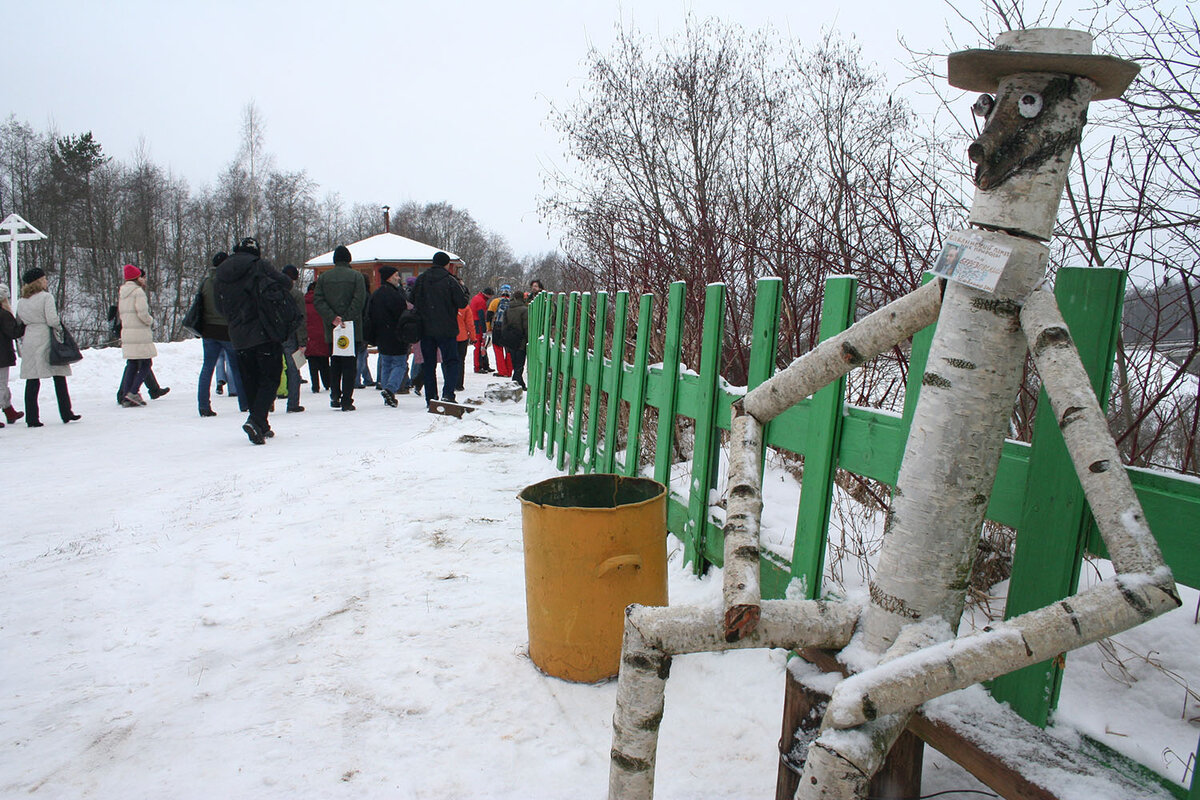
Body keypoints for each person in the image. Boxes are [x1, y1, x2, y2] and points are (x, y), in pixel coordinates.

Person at [214, 237, 291, 444]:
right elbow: (285, 283)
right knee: (271, 377)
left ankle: (262, 423)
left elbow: (219, 306)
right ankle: (255, 421)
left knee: (251, 378)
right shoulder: (259, 266)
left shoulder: (221, 272)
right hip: (263, 331)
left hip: (237, 335)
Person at [16, 268, 80, 426]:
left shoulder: (22, 301)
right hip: (45, 337)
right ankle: (66, 412)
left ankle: (31, 418)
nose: (46, 281)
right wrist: (60, 329)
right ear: (38, 281)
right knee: (58, 374)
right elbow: (52, 319)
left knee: (32, 379)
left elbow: (20, 321)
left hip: (30, 339)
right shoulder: (46, 297)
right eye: (44, 279)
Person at [313, 245, 367, 411]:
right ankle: (346, 400)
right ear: (349, 259)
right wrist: (347, 318)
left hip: (332, 329)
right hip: (352, 328)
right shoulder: (357, 277)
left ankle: (334, 396)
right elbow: (360, 301)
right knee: (350, 365)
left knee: (335, 362)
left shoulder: (323, 278)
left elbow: (318, 300)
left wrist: (333, 318)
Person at [411, 251, 468, 405]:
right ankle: (448, 394)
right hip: (447, 328)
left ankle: (431, 397)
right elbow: (462, 303)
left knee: (428, 364)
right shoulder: (450, 280)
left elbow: (411, 299)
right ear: (447, 265)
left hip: (425, 329)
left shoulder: (421, 279)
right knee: (451, 361)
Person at [196, 251, 244, 417]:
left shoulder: (205, 283)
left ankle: (203, 404)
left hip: (208, 331)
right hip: (227, 331)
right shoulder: (230, 282)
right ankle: (244, 403)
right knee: (236, 367)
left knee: (207, 368)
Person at [365, 266, 410, 407]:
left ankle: (386, 391)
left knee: (386, 364)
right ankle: (390, 389)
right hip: (396, 335)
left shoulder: (376, 294)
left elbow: (369, 315)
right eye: (396, 275)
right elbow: (402, 316)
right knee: (400, 364)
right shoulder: (396, 295)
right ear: (389, 277)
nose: (399, 278)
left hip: (381, 335)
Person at [117, 264, 158, 407]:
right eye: (141, 277)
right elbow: (142, 314)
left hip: (128, 332)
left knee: (133, 363)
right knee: (146, 363)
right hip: (140, 333)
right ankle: (133, 391)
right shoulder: (138, 292)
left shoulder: (123, 293)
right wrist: (150, 321)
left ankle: (126, 394)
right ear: (137, 278)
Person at [280, 265, 307, 413]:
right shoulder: (296, 295)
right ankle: (293, 403)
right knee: (293, 369)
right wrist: (303, 341)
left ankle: (268, 402)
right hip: (291, 335)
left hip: (273, 334)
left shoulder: (272, 291)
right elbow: (301, 319)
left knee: (273, 369)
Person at [0, 284, 24, 426]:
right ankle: (7, 409)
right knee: (1, 384)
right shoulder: (3, 314)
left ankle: (9, 410)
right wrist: (22, 324)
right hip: (2, 355)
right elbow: (13, 332)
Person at [304, 282, 331, 393]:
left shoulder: (303, 302)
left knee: (312, 363)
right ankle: (327, 383)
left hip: (309, 336)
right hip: (322, 335)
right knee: (324, 361)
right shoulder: (323, 303)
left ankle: (315, 386)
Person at [504, 290, 529, 390]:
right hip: (521, 340)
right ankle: (515, 383)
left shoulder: (508, 309)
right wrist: (528, 340)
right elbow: (526, 326)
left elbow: (504, 325)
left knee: (515, 363)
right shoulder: (524, 310)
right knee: (520, 363)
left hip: (510, 339)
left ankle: (519, 383)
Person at [488, 285, 513, 378]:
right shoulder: (512, 302)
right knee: (509, 350)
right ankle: (509, 371)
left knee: (498, 349)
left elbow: (489, 315)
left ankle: (502, 370)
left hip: (498, 328)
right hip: (509, 329)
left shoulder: (495, 301)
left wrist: (488, 327)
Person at [468, 286, 494, 374]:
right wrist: (484, 330)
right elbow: (481, 316)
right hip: (478, 324)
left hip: (475, 323)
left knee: (481, 345)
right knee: (479, 345)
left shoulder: (476, 298)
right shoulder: (481, 301)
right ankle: (478, 366)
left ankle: (484, 365)